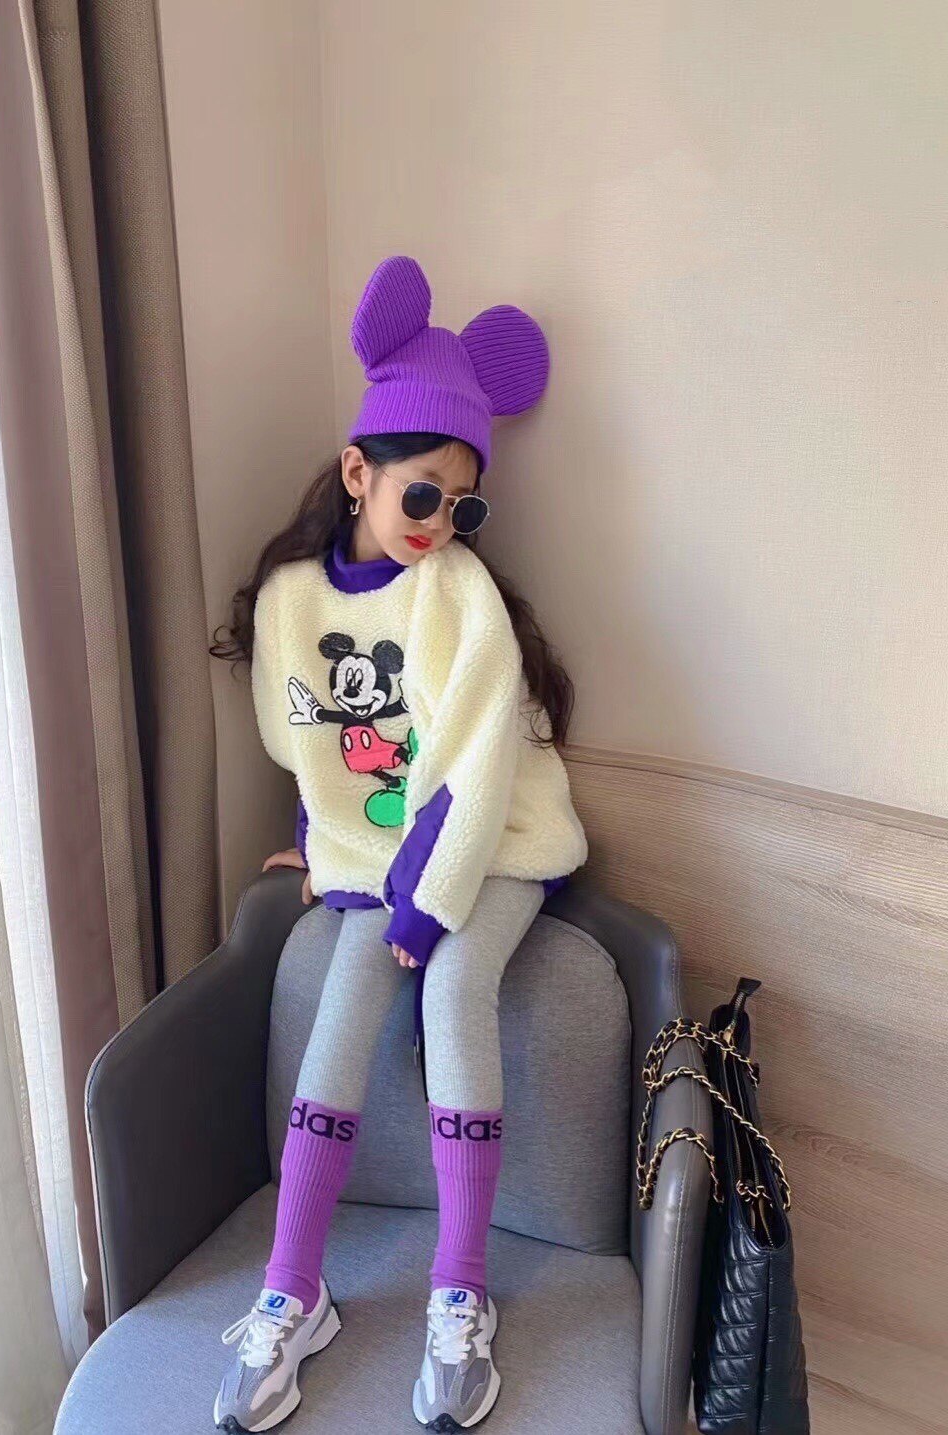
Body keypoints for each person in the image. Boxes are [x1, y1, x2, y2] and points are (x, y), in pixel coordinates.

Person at [208, 255, 587, 1432]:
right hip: (387, 855)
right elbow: (312, 743)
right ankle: (291, 1290)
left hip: (497, 839)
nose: (441, 526)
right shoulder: (292, 600)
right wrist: (322, 849)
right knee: (342, 1005)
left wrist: (419, 909)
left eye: (464, 506)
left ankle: (459, 1292)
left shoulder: (456, 593)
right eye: (424, 496)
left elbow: (474, 772)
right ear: (357, 473)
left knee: (454, 989)